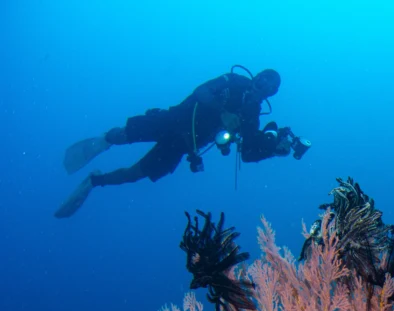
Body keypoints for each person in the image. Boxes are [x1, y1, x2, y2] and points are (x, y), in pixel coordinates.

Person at [55, 67, 309, 218]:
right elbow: (201, 91)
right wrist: (222, 112)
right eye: (264, 78)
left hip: (185, 145)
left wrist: (274, 150)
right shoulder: (233, 81)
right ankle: (104, 141)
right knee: (124, 135)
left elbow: (249, 154)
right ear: (257, 75)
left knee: (135, 174)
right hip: (175, 119)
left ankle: (94, 181)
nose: (263, 85)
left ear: (272, 93)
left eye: (270, 86)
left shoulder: (252, 115)